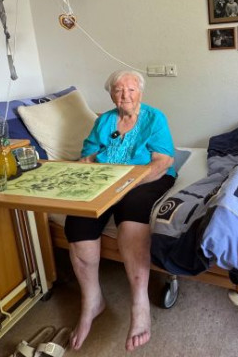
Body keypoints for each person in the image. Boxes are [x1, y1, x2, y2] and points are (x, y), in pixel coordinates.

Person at [64, 70, 176, 352]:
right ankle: (92, 301)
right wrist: (89, 168)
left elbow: (163, 161)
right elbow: (88, 156)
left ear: (140, 92)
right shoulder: (103, 121)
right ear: (111, 94)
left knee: (132, 214)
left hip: (146, 178)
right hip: (106, 179)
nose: (124, 95)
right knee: (78, 220)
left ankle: (139, 304)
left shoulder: (154, 118)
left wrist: (127, 183)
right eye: (118, 90)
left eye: (131, 89)